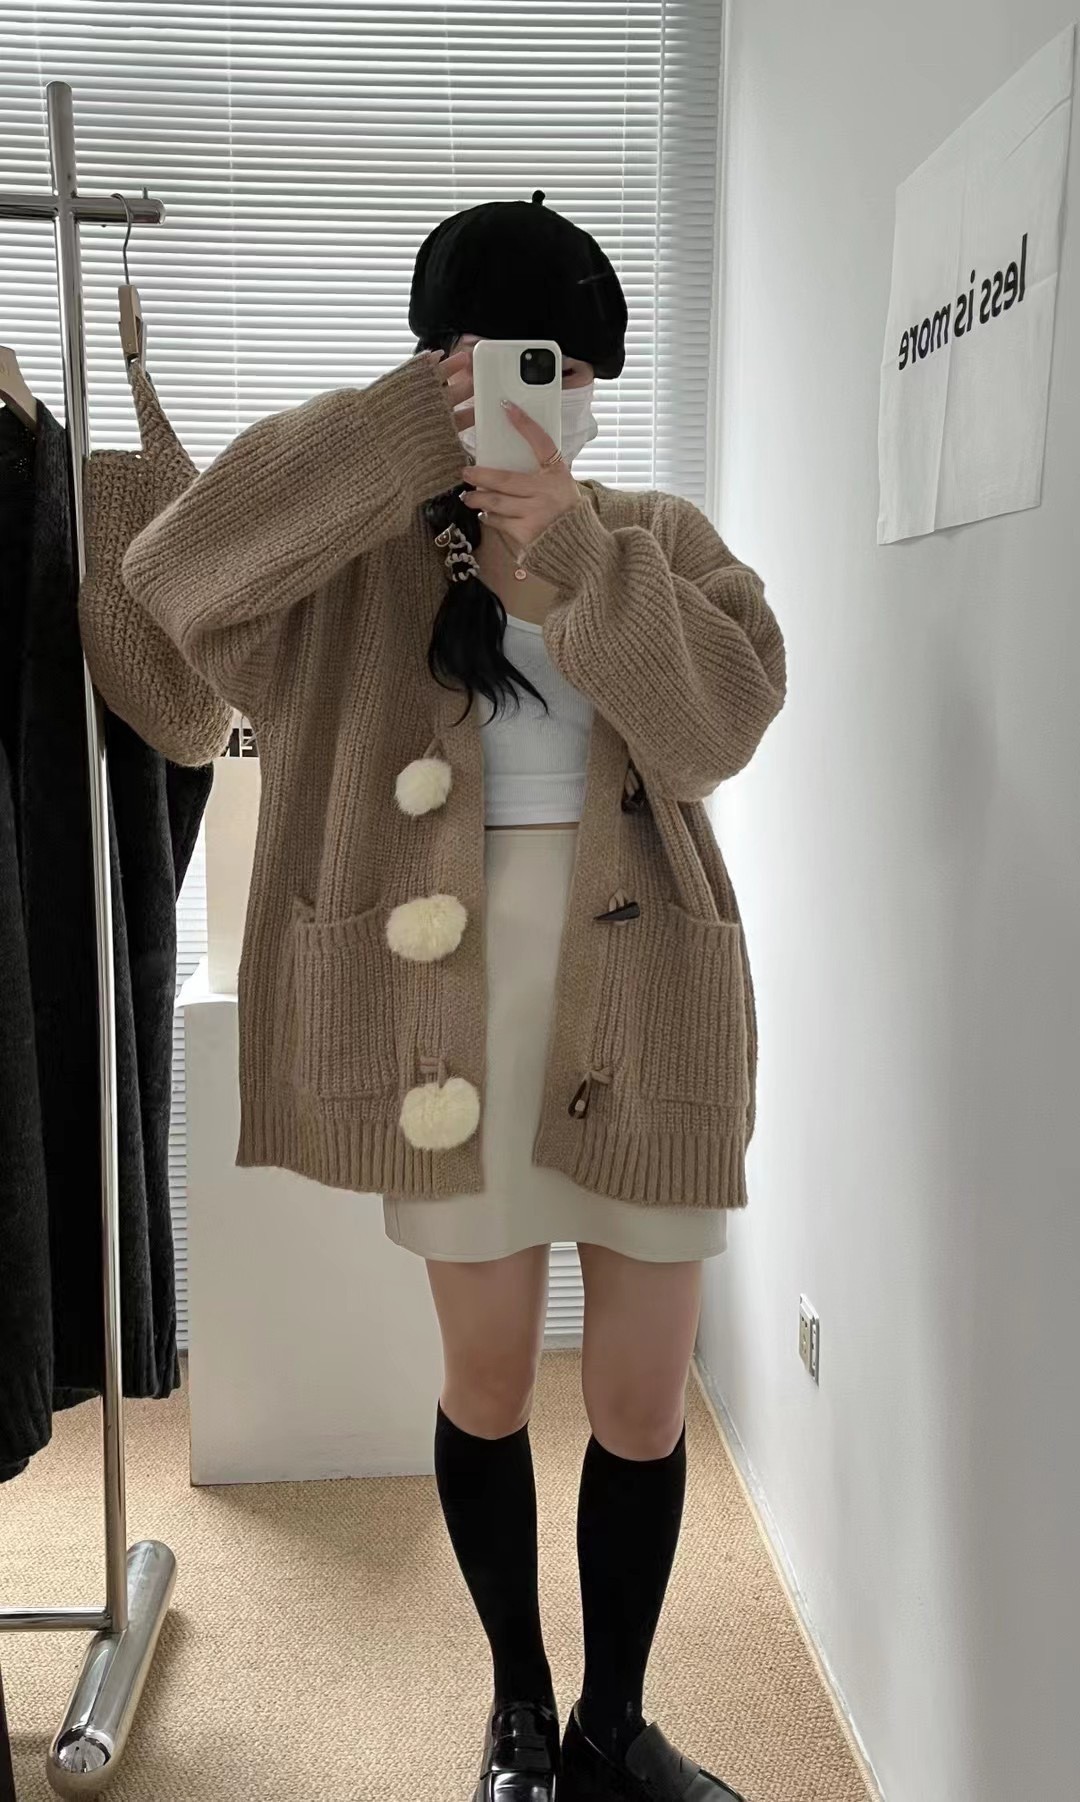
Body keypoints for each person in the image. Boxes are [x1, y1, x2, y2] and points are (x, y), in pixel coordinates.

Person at [121, 192, 786, 1802]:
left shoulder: (657, 536)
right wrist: (390, 437)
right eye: (510, 368)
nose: (554, 399)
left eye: (575, 372)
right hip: (452, 1017)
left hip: (651, 1001)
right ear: (444, 366)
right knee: (486, 1380)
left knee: (640, 1400)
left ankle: (614, 1725)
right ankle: (519, 1710)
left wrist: (580, 556)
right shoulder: (358, 560)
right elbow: (173, 577)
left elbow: (721, 724)